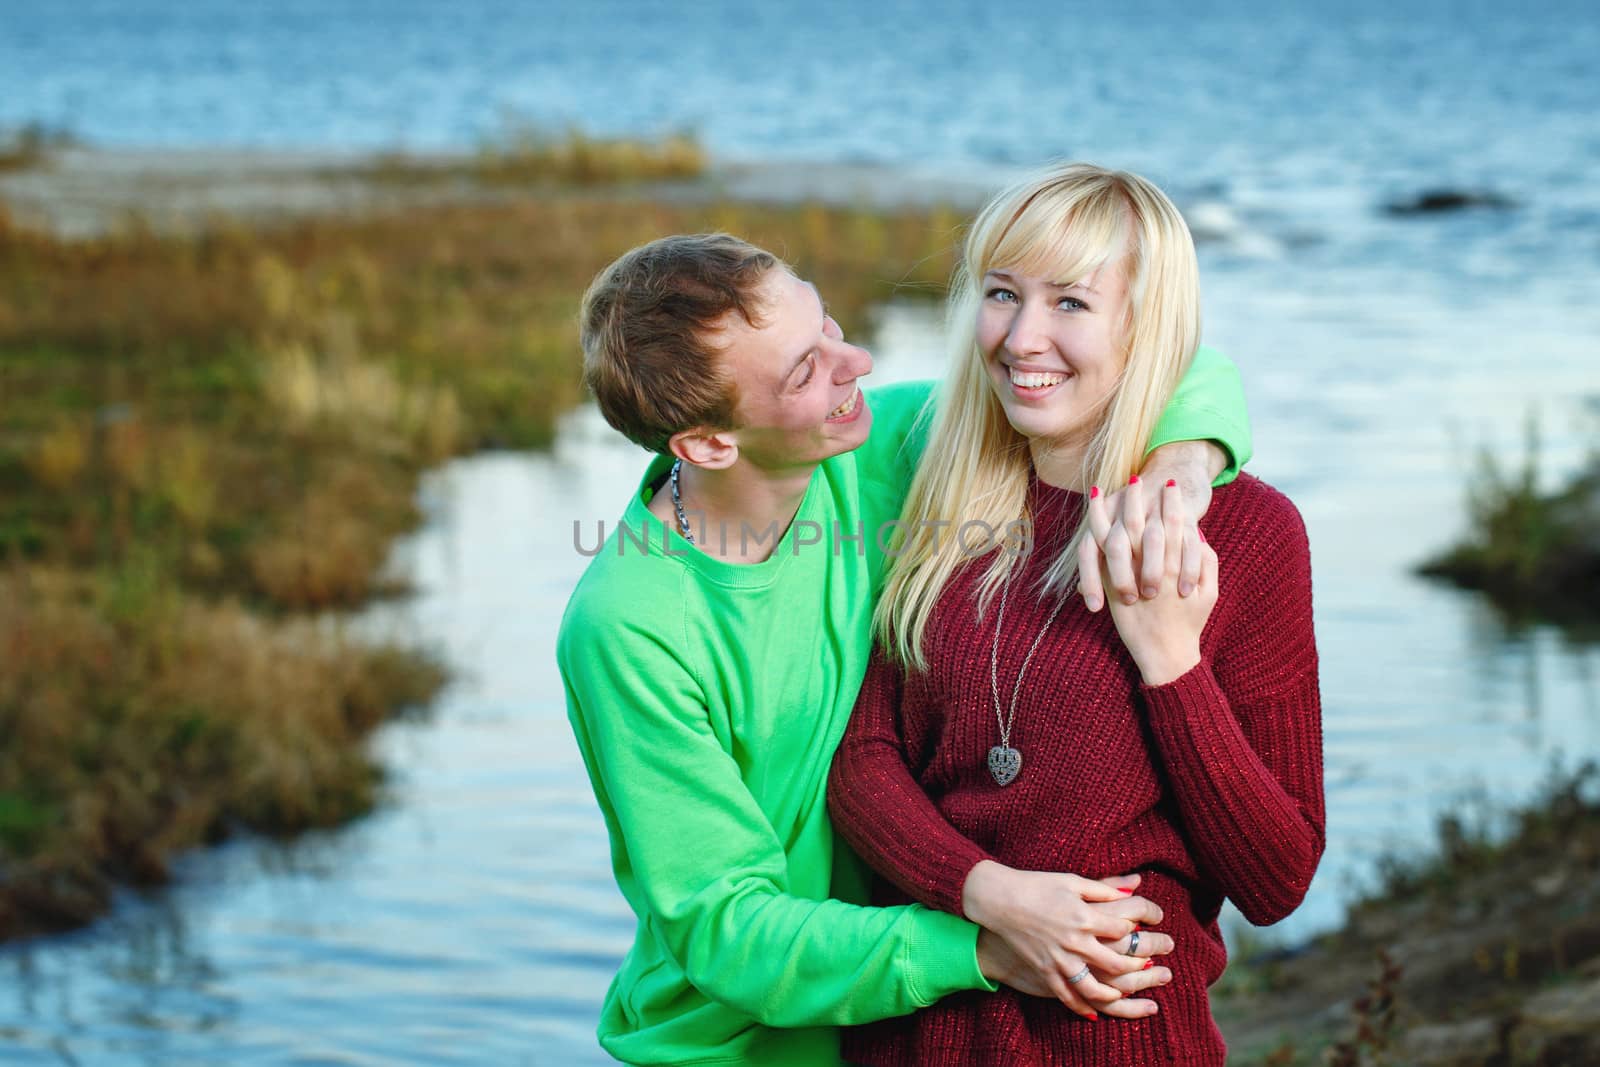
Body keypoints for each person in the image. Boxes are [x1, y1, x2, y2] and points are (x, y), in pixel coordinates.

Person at [557, 230, 1254, 1066]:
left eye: (827, 325)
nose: (855, 361)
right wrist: (986, 943)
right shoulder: (630, 626)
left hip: (905, 1028)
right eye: (806, 371)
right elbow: (726, 925)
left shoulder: (883, 445)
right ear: (709, 444)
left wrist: (1178, 467)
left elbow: (1154, 370)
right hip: (737, 1046)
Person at [827, 163, 1323, 1066]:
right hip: (917, 1038)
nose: (1023, 338)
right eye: (1003, 294)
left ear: (1145, 326)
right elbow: (864, 761)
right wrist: (993, 896)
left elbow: (1278, 878)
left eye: (1071, 304)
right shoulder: (934, 490)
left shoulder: (1248, 533)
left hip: (1123, 1044)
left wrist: (1171, 663)